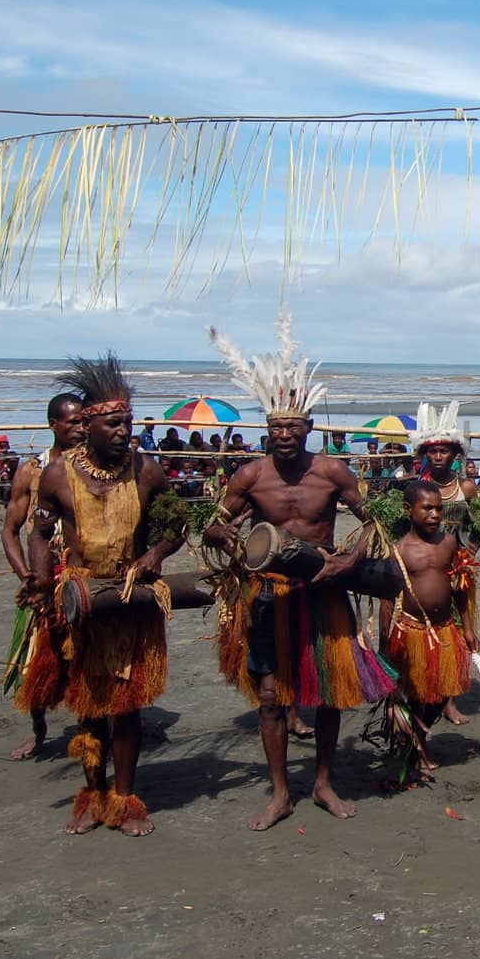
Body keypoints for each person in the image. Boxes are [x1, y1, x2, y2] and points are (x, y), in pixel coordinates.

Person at [204, 317, 394, 830]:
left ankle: (324, 783)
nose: (283, 435)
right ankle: (281, 793)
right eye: (275, 428)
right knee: (271, 695)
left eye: (292, 428)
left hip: (325, 587)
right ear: (266, 430)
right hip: (270, 593)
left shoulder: (332, 471)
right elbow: (213, 527)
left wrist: (351, 560)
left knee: (330, 689)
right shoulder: (250, 475)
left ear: (309, 428)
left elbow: (374, 519)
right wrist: (227, 536)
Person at [26, 355, 187, 836]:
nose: (123, 432)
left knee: (127, 706)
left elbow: (177, 524)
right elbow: (38, 532)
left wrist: (156, 553)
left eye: (128, 423)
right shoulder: (57, 476)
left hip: (132, 601)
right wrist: (40, 579)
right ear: (90, 426)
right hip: (82, 600)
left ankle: (125, 798)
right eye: (114, 424)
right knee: (89, 705)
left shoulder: (147, 471)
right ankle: (93, 795)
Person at [0, 392, 84, 760]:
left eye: (84, 421)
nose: (80, 428)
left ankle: (93, 731)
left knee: (85, 658)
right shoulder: (31, 471)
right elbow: (10, 530)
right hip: (43, 581)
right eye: (72, 422)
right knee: (37, 663)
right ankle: (39, 732)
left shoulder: (93, 468)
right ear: (53, 425)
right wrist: (28, 577)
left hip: (82, 577)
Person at [380, 480, 480, 781]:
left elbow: (460, 587)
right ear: (408, 510)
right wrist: (385, 643)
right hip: (411, 629)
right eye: (427, 508)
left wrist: (468, 626)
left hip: (446, 628)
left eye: (438, 508)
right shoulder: (398, 550)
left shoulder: (449, 543)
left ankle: (419, 742)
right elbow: (387, 599)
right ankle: (412, 748)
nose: (435, 514)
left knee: (438, 694)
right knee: (412, 693)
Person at [409, 401, 480, 727]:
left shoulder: (466, 489)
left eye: (445, 451)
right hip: (425, 572)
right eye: (433, 452)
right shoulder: (417, 491)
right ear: (425, 455)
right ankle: (428, 692)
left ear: (455, 454)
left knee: (460, 633)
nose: (439, 456)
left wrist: (466, 555)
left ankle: (451, 700)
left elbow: (477, 527)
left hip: (458, 572)